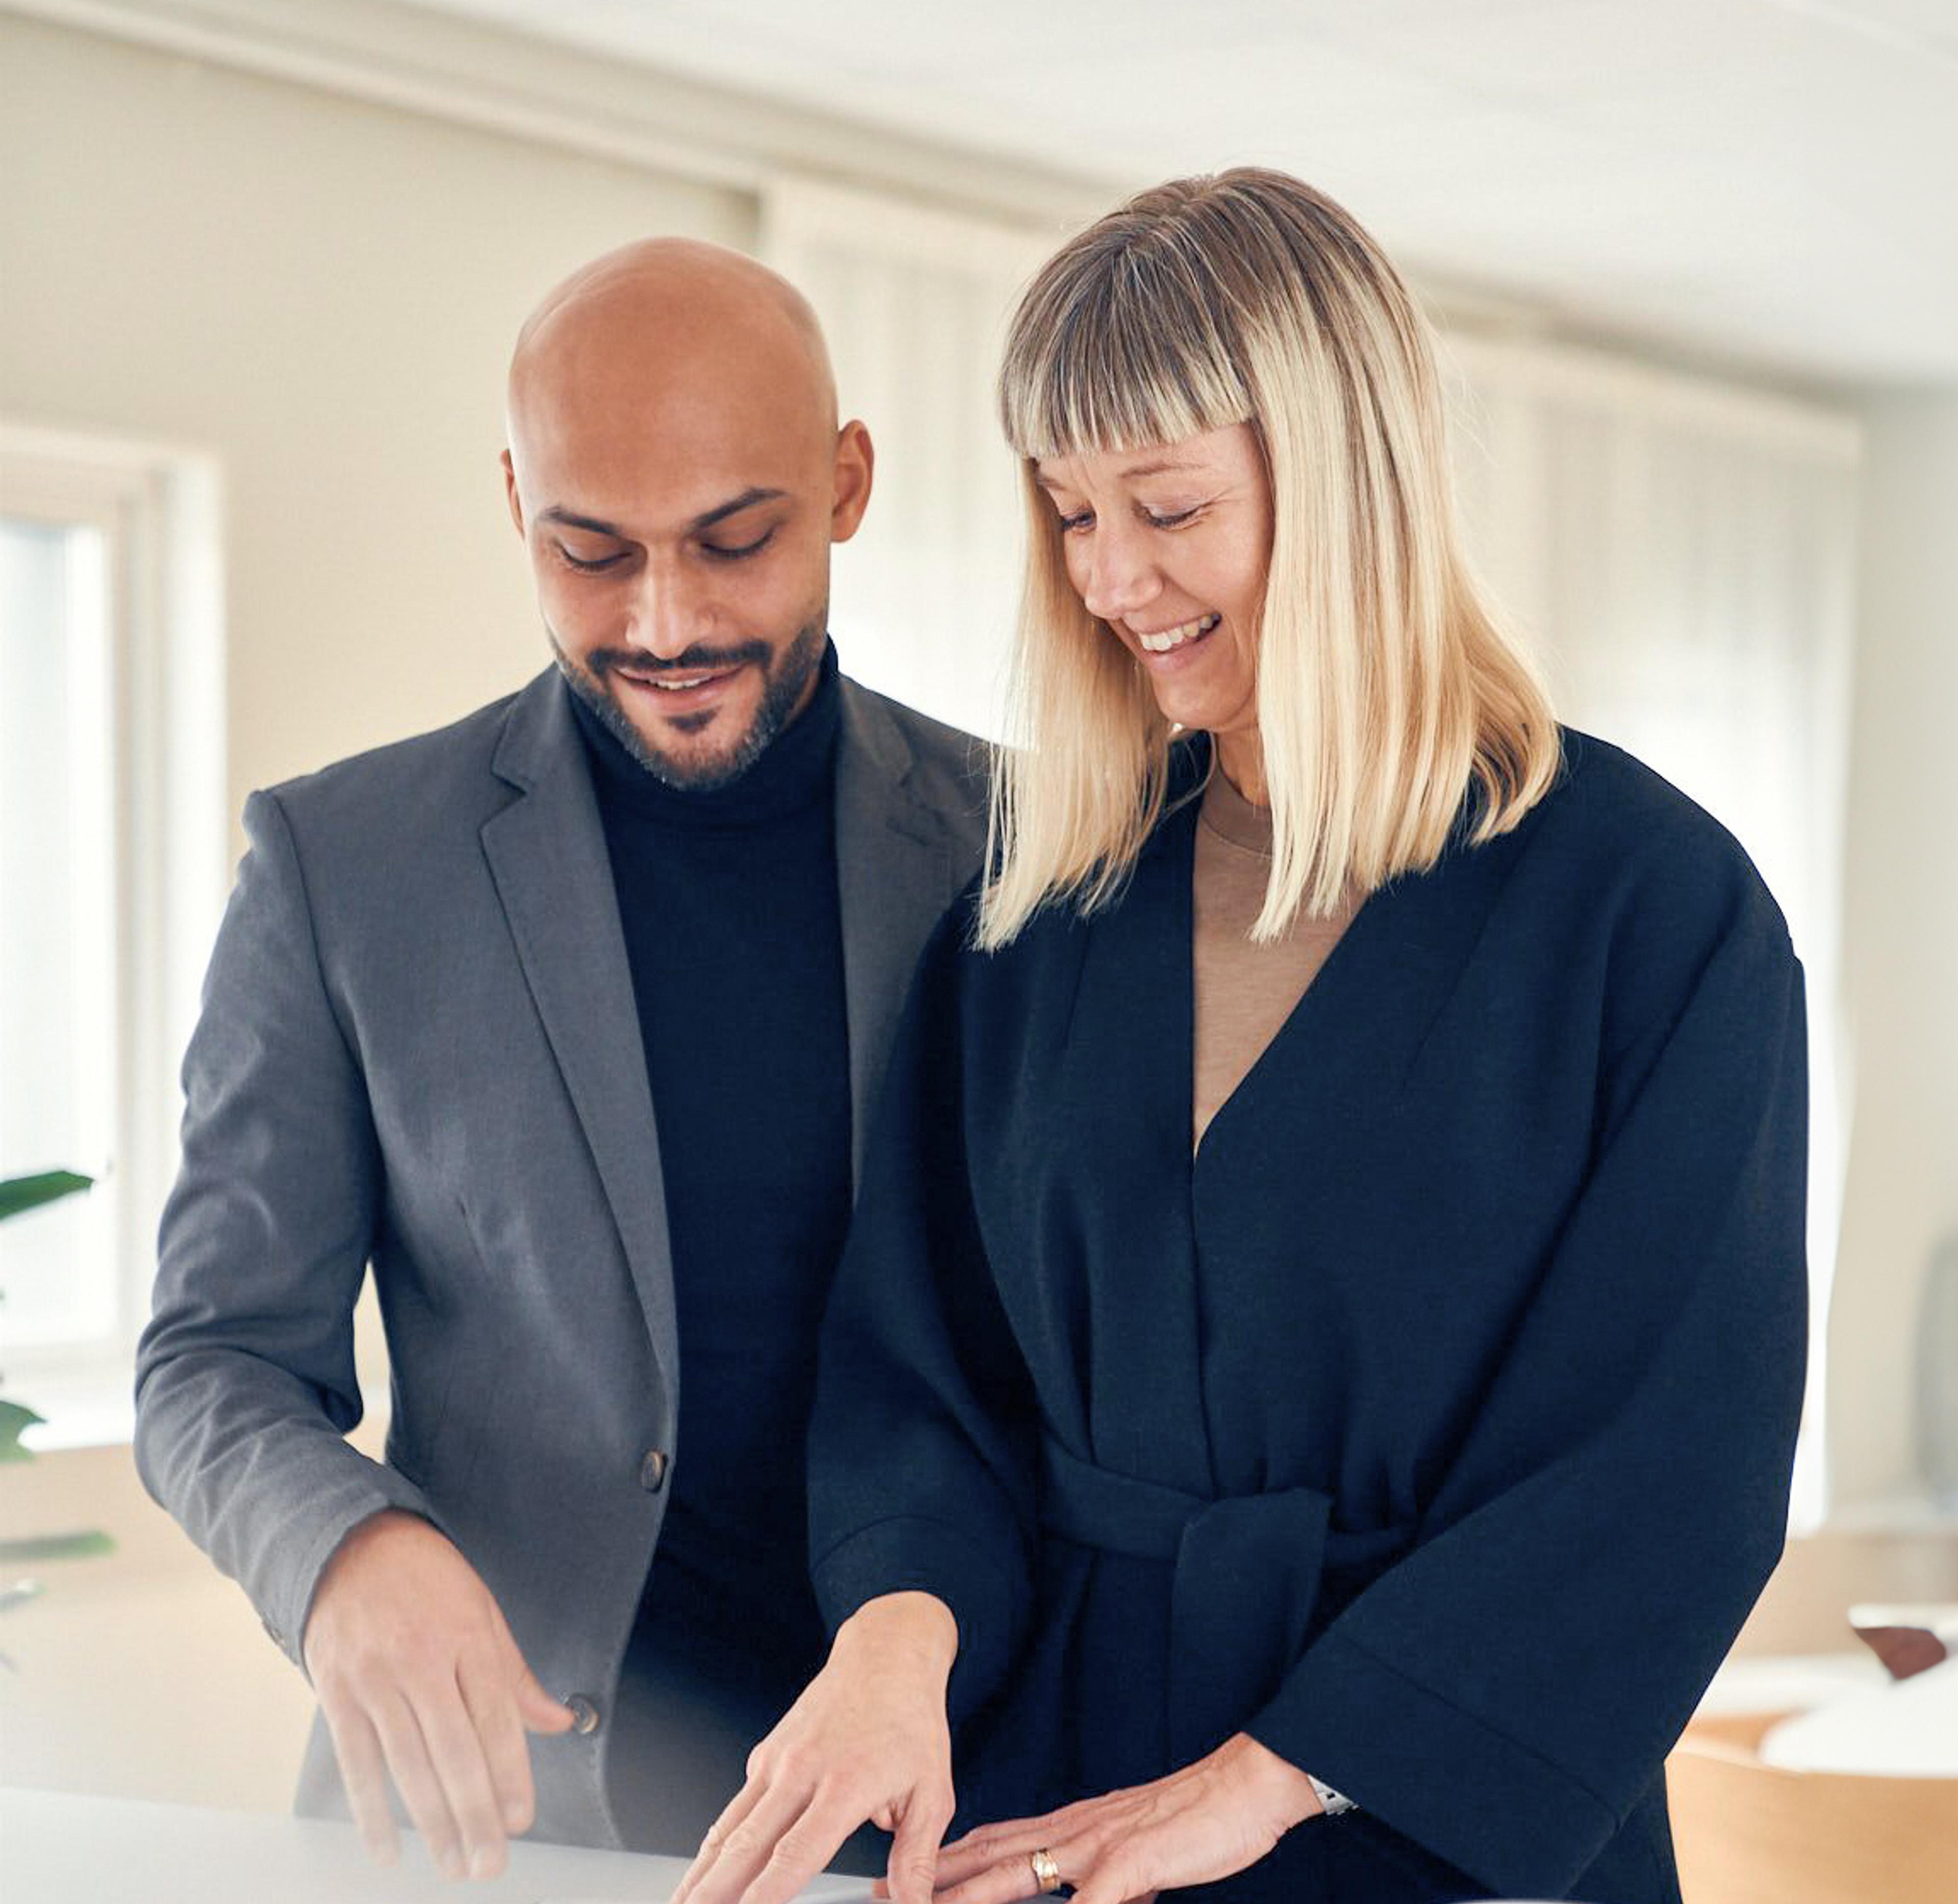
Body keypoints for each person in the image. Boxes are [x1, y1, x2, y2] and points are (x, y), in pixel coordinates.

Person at [673, 170, 1809, 1904]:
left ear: (1347, 481)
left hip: (1432, 1822)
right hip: (1056, 1809)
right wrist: (894, 1643)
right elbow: (924, 1371)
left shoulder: (1651, 917)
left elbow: (1667, 1470)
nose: (1111, 577)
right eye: (1069, 511)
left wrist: (1270, 1778)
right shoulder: (1040, 915)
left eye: (1170, 505)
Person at [134, 239, 987, 1881]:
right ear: (515, 500)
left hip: (938, 1814)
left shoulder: (1031, 849)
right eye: (590, 553)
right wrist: (341, 1548)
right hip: (499, 1831)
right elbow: (212, 1358)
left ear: (847, 483)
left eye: (735, 541)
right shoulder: (342, 865)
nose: (667, 622)